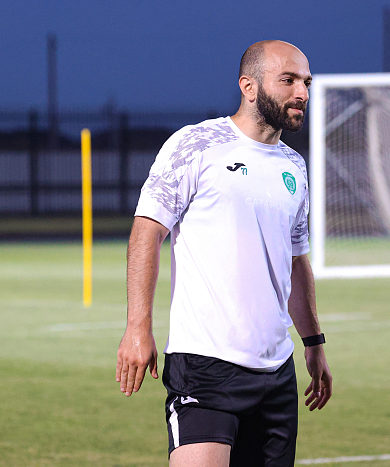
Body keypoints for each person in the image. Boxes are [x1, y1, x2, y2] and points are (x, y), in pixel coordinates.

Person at [116, 40, 332, 467]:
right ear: (249, 87)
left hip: (277, 373)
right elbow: (146, 232)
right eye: (288, 80)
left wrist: (313, 343)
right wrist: (137, 328)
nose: (302, 93)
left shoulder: (293, 165)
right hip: (205, 365)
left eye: (306, 82)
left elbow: (295, 261)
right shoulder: (196, 144)